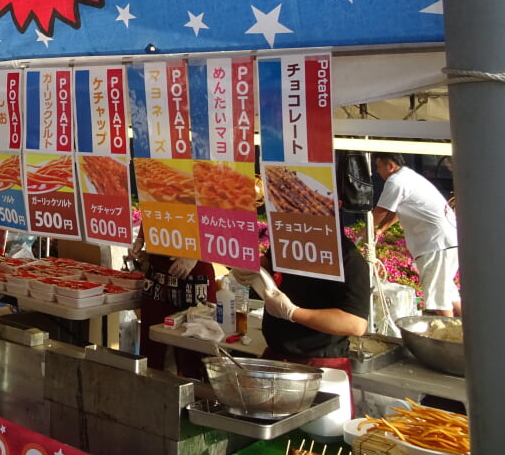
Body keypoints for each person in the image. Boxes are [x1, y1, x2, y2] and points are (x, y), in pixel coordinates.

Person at [235, 232, 369, 375]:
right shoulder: (288, 240)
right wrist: (249, 267)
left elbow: (355, 323)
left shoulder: (348, 258)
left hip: (320, 363)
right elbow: (268, 263)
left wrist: (293, 312)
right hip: (275, 355)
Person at [371, 153, 460, 317]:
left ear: (390, 166)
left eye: (378, 166)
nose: (377, 171)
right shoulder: (409, 177)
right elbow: (398, 209)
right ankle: (468, 329)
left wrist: (363, 232)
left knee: (438, 296)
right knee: (447, 291)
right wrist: (381, 229)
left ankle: (449, 332)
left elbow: (381, 211)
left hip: (436, 245)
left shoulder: (396, 181)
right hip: (448, 241)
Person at [129, 227, 216, 378]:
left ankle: (196, 392)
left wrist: (196, 254)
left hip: (194, 274)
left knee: (195, 350)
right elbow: (151, 212)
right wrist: (141, 239)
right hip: (157, 271)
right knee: (153, 349)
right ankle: (152, 388)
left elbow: (224, 223)